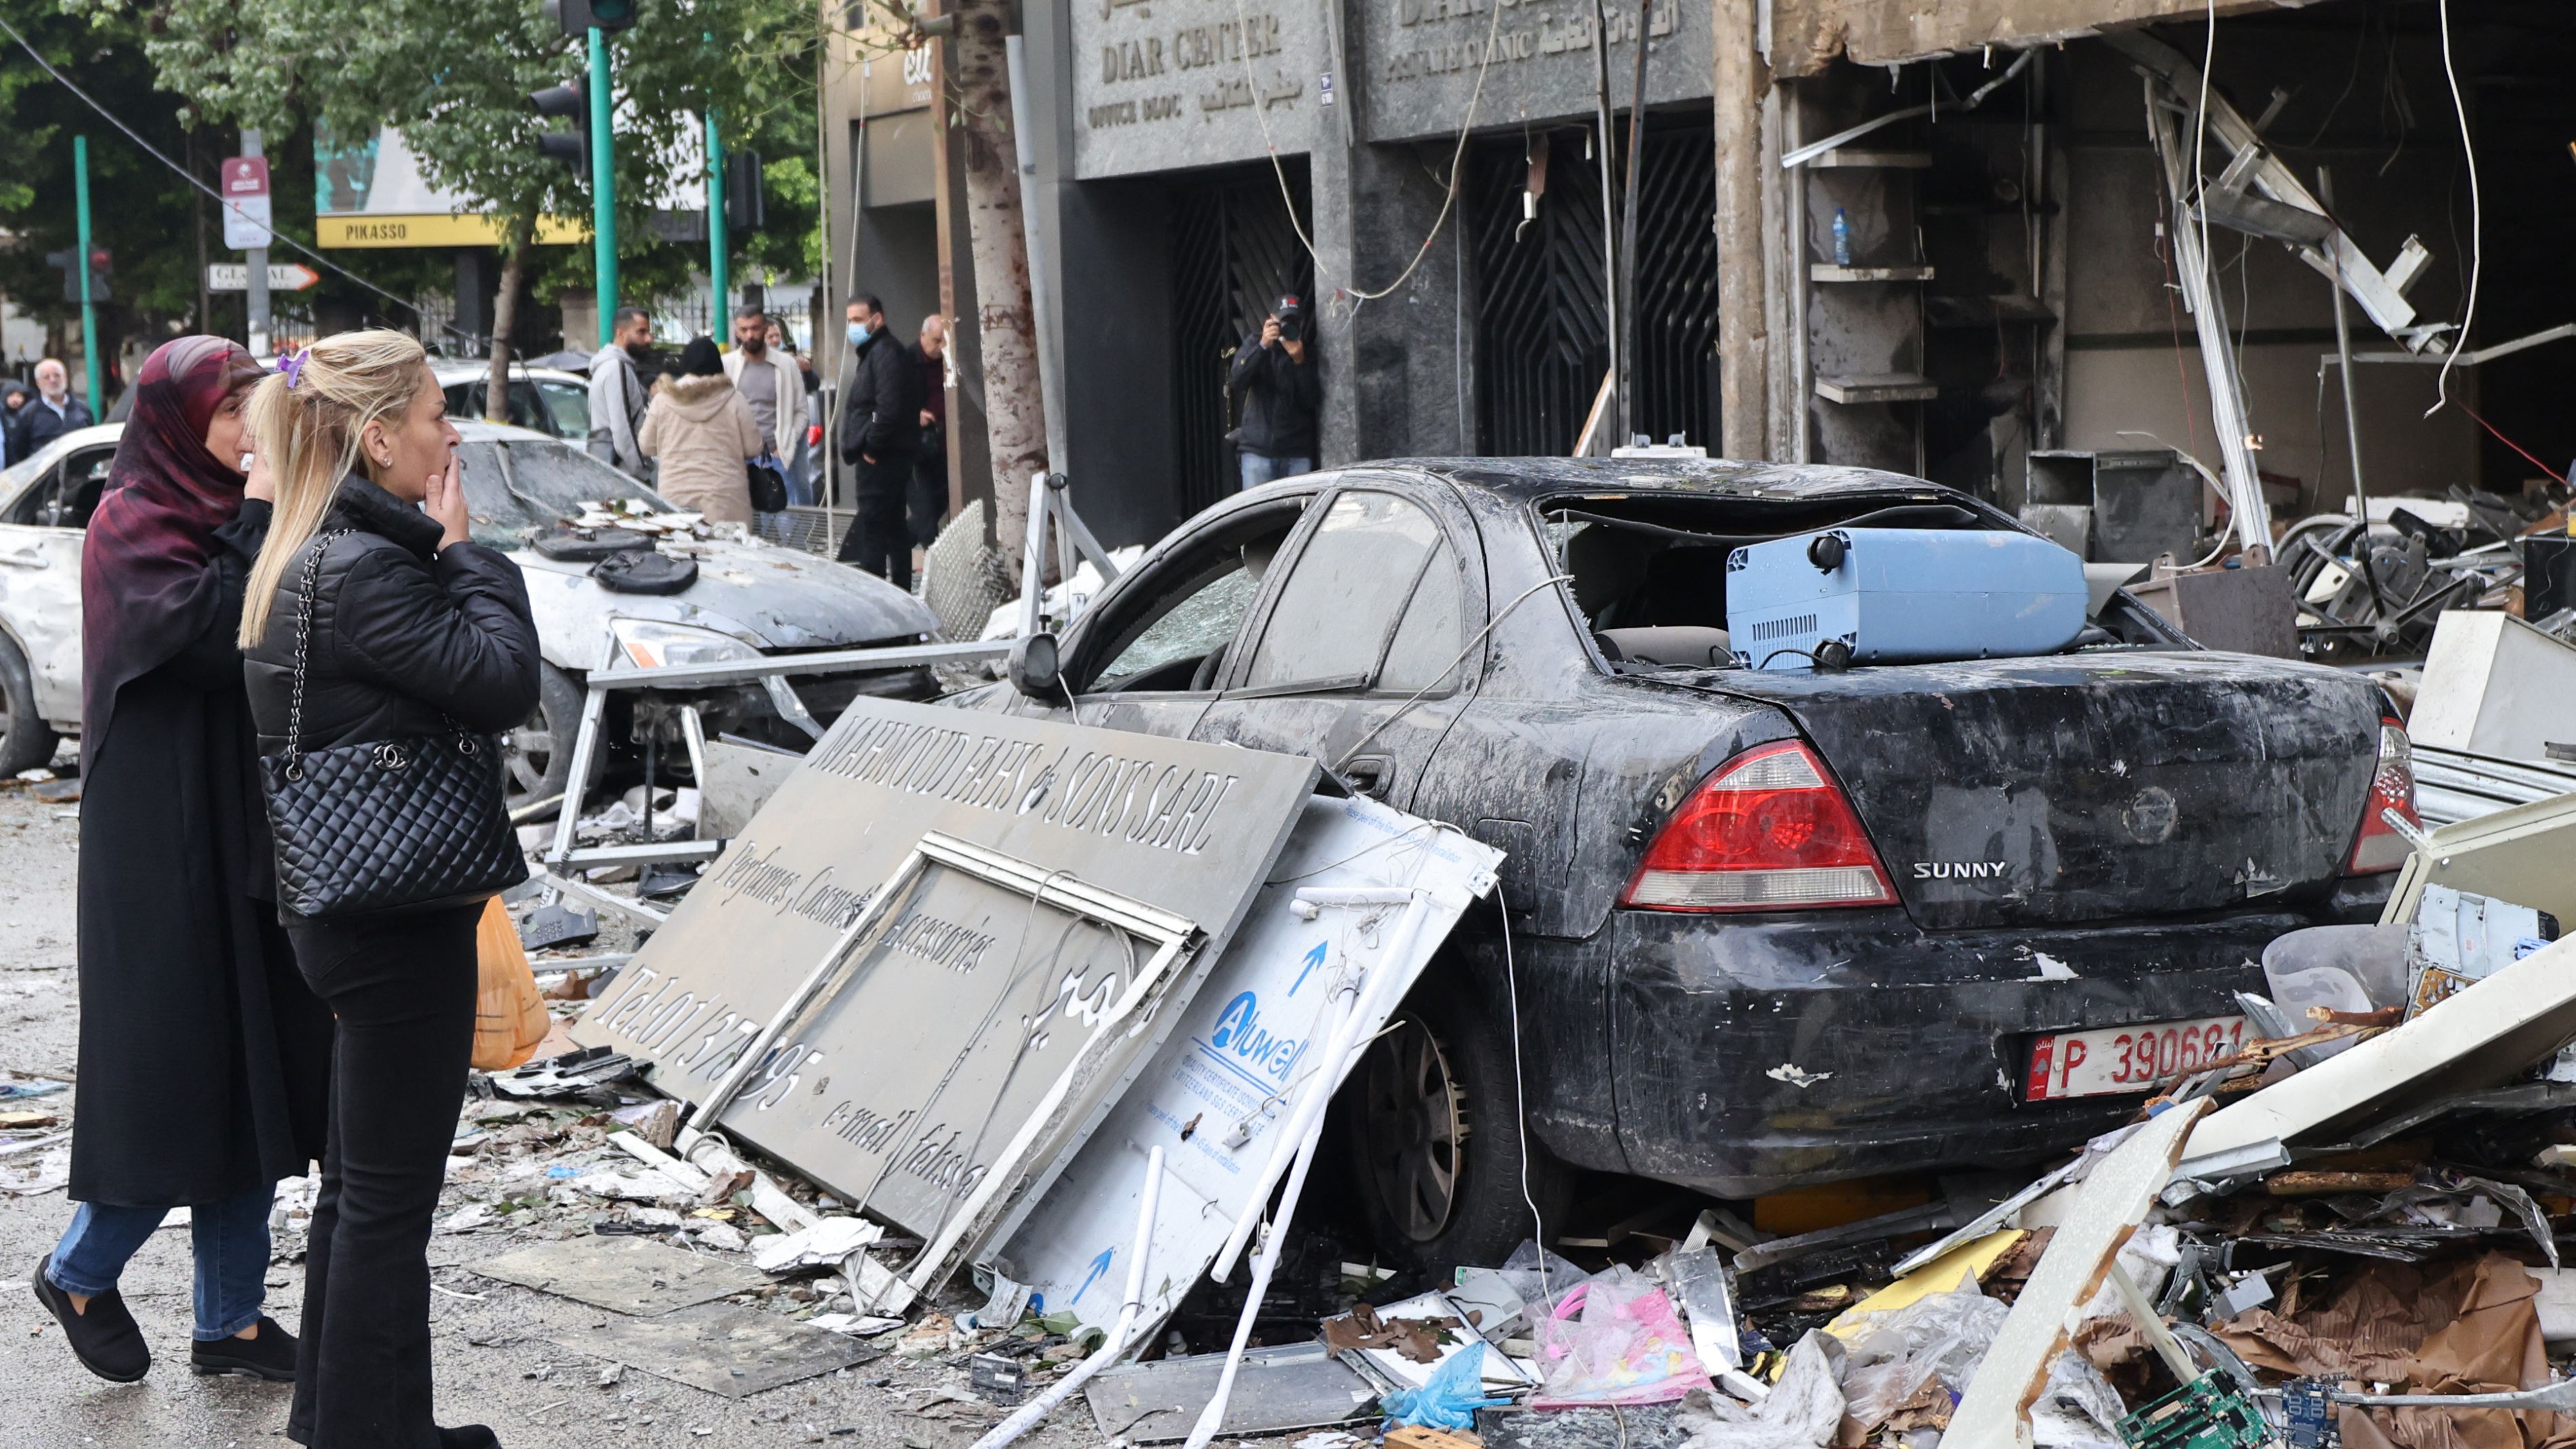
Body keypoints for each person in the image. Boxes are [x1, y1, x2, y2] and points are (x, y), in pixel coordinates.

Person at [237, 329, 541, 1449]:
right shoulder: (366, 572)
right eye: (431, 414)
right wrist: (467, 554)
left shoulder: (307, 555)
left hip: (347, 909)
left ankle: (351, 1419)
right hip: (394, 917)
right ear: (377, 439)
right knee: (383, 1202)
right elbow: (504, 680)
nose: (448, 433)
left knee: (360, 1191)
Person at [28, 337, 331, 1389]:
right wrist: (258, 513)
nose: (252, 430)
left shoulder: (237, 518)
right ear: (174, 426)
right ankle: (79, 1269)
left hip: (240, 825)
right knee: (169, 1075)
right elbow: (217, 636)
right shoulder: (130, 524)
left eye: (257, 407)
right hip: (156, 842)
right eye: (232, 413)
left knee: (255, 1074)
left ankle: (231, 1321)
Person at [835, 294, 923, 587]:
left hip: (882, 459)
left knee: (874, 528)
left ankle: (879, 594)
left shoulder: (885, 353)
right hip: (886, 456)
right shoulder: (876, 352)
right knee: (893, 527)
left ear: (877, 319)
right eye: (850, 321)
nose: (853, 327)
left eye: (859, 320)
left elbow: (888, 410)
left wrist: (872, 448)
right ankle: (900, 589)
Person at [638, 337, 763, 525]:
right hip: (725, 500)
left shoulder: (662, 401)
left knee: (680, 552)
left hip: (675, 498)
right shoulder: (735, 400)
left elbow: (646, 447)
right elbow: (754, 448)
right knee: (728, 551)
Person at [1229, 294, 1320, 489]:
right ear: (1272, 319)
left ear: (1302, 323)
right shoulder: (1255, 344)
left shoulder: (1308, 353)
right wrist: (1263, 346)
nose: (1288, 327)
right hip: (1258, 451)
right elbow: (1237, 380)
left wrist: (1299, 362)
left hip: (1296, 452)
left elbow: (1312, 399)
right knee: (1256, 516)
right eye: (1284, 321)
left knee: (1297, 516)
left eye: (1294, 321)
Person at [722, 309, 806, 503]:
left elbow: (801, 411)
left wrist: (786, 445)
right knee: (747, 520)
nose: (750, 335)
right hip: (740, 457)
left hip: (775, 456)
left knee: (785, 523)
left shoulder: (787, 365)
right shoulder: (727, 364)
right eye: (744, 329)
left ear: (765, 329)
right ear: (737, 331)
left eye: (755, 328)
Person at [587, 306, 655, 481]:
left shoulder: (608, 367)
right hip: (623, 475)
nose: (649, 338)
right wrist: (640, 472)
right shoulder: (617, 368)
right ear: (621, 333)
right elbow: (621, 428)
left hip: (610, 470)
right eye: (641, 332)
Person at [767, 317, 822, 506]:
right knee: (781, 481)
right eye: (770, 336)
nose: (775, 340)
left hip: (796, 429)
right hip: (772, 432)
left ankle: (808, 522)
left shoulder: (789, 359)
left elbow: (814, 385)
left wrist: (806, 371)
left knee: (802, 481)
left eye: (777, 336)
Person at [908, 314, 949, 562]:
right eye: (936, 341)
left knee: (937, 505)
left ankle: (895, 542)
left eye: (945, 341)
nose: (940, 348)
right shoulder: (906, 361)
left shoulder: (949, 359)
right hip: (918, 448)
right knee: (924, 511)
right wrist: (914, 414)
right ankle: (937, 560)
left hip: (945, 444)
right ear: (922, 337)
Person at [14, 356, 96, 461]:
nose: (53, 380)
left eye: (57, 375)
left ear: (65, 378)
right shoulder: (29, 413)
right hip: (45, 475)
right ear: (38, 383)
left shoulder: (82, 410)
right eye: (46, 377)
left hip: (78, 473)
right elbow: (19, 451)